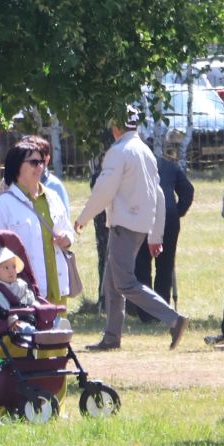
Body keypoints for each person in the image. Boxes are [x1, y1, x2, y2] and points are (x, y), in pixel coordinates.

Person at [75, 113, 185, 350]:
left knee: (124, 283)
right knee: (112, 284)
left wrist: (84, 218)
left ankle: (173, 318)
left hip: (124, 225)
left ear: (116, 127)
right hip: (139, 225)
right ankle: (111, 337)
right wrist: (155, 235)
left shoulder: (118, 151)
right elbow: (158, 196)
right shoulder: (145, 151)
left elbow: (103, 190)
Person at [0, 143, 74, 304]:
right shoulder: (1, 206)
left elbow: (69, 231)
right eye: (33, 162)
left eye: (42, 162)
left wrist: (66, 238)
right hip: (23, 294)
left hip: (58, 290)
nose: (39, 166)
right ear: (17, 166)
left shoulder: (53, 197)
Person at [132, 147, 194, 317]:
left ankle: (145, 312)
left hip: (143, 218)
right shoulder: (170, 166)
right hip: (169, 219)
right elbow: (188, 191)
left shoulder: (135, 167)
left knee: (142, 266)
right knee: (165, 266)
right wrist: (176, 211)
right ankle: (162, 311)